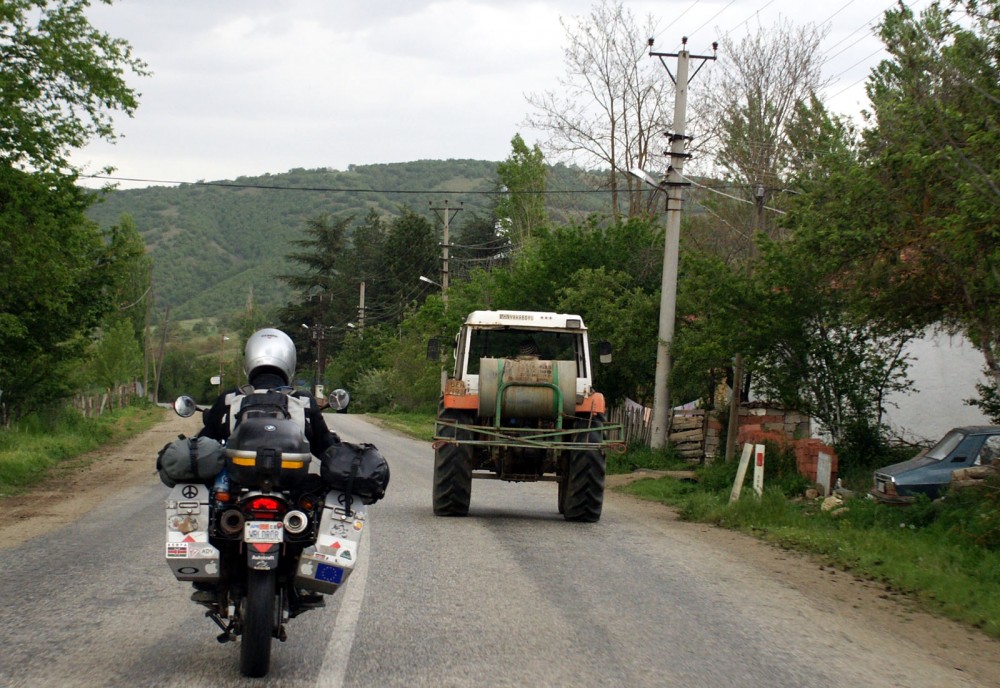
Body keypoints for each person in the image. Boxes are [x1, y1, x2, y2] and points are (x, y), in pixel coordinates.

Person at [199, 327, 339, 456]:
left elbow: (203, 444)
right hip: (290, 482)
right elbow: (327, 450)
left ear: (248, 359)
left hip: (238, 481)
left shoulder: (229, 399)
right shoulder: (303, 401)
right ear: (290, 360)